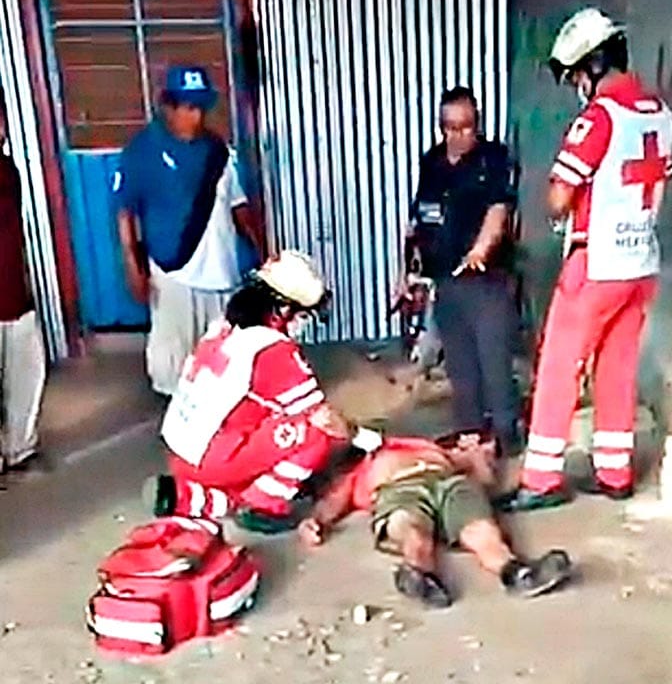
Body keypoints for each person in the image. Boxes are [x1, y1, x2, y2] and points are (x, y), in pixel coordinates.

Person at [498, 8, 672, 512]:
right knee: (617, 367)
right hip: (640, 263)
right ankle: (615, 472)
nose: (577, 85)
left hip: (595, 262)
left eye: (576, 74)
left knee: (559, 366)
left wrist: (563, 200)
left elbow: (559, 199)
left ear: (593, 65)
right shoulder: (661, 115)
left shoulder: (598, 118)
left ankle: (541, 479)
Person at [146, 250, 360, 534]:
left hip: (181, 454)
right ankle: (263, 505)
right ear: (283, 310)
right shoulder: (273, 349)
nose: (304, 323)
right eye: (303, 315)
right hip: (213, 459)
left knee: (273, 425)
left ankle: (193, 498)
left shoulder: (222, 327)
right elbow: (323, 417)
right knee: (315, 432)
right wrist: (361, 437)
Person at [115, 65, 263, 397]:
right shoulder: (142, 150)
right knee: (173, 363)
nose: (197, 117)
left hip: (221, 271)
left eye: (201, 108)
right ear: (168, 106)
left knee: (223, 358)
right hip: (173, 273)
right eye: (189, 107)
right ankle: (177, 414)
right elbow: (126, 212)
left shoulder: (217, 152)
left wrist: (262, 251)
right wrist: (133, 268)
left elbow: (238, 205)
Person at [298, 430, 571, 608]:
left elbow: (485, 481)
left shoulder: (426, 447)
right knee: (412, 531)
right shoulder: (360, 470)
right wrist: (315, 522)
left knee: (481, 528)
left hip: (449, 482)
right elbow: (333, 502)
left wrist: (479, 456)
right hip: (400, 489)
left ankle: (517, 573)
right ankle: (419, 576)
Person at [403, 86, 520, 456]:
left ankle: (505, 435)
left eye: (467, 126)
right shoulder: (432, 163)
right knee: (460, 362)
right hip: (445, 278)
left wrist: (480, 251)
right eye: (451, 127)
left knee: (493, 359)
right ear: (441, 127)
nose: (459, 135)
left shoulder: (492, 159)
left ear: (477, 125)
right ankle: (470, 431)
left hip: (486, 278)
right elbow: (418, 220)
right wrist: (408, 272)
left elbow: (499, 209)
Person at [0, 89, 46, 473]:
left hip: (15, 293)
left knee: (27, 374)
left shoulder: (7, 171)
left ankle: (20, 447)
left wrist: (27, 279)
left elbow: (16, 235)